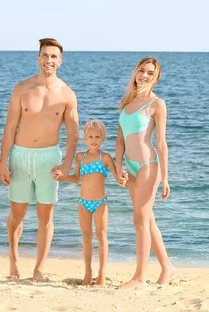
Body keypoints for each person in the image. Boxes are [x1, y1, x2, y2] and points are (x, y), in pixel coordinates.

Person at [0, 38, 79, 282]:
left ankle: (39, 269)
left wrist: (66, 164)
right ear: (38, 58)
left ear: (60, 61)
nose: (49, 60)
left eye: (54, 56)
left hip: (49, 159)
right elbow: (10, 126)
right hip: (21, 156)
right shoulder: (22, 89)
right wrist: (3, 162)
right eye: (45, 55)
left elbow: (73, 134)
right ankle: (14, 263)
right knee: (17, 213)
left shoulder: (67, 94)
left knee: (46, 216)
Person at [115, 56, 175, 288]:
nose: (144, 76)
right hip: (130, 168)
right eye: (142, 71)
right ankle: (168, 267)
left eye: (150, 73)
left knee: (139, 220)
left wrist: (166, 177)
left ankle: (140, 277)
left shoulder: (156, 104)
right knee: (147, 220)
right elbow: (120, 139)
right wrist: (118, 166)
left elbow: (161, 143)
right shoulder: (126, 102)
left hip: (149, 166)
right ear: (136, 72)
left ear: (156, 78)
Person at [55, 119, 128, 286]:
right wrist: (62, 176)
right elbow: (75, 178)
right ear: (85, 138)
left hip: (100, 203)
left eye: (97, 137)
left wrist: (124, 180)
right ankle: (87, 274)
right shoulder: (81, 157)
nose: (93, 140)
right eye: (90, 137)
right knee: (86, 237)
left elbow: (119, 179)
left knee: (102, 237)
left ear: (102, 139)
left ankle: (102, 274)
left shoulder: (106, 158)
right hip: (83, 203)